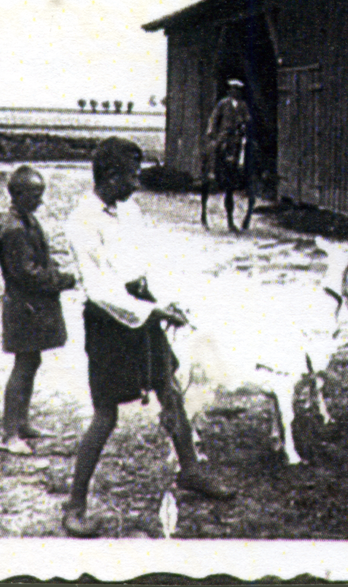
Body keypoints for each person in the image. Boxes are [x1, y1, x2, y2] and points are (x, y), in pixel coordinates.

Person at [62, 137, 235, 538]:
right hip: (108, 321)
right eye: (132, 176)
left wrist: (162, 301)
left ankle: (190, 471)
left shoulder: (130, 212)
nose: (137, 184)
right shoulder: (81, 222)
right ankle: (75, 504)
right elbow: (100, 289)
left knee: (169, 389)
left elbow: (141, 267)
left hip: (142, 307)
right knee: (106, 413)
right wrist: (150, 310)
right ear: (109, 176)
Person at [0, 165, 77, 455]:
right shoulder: (15, 229)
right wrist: (64, 280)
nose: (40, 201)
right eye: (34, 194)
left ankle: (22, 422)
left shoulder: (26, 220)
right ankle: (9, 434)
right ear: (18, 194)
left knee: (30, 363)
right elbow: (27, 273)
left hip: (31, 307)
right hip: (24, 307)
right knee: (23, 366)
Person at [201, 78, 255, 232]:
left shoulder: (243, 105)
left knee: (248, 150)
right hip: (224, 135)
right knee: (216, 148)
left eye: (238, 90)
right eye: (233, 89)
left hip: (238, 137)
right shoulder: (223, 104)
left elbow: (248, 119)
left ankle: (245, 175)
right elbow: (213, 119)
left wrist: (245, 124)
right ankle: (211, 172)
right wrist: (212, 132)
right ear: (229, 91)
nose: (235, 92)